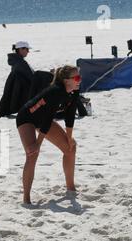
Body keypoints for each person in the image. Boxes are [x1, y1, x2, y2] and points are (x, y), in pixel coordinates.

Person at [16, 65, 81, 204]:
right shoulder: (56, 91)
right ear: (66, 80)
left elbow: (70, 116)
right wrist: (38, 144)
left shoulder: (74, 90)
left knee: (70, 148)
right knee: (32, 154)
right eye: (76, 78)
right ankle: (26, 199)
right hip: (26, 117)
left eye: (79, 77)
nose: (79, 80)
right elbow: (47, 118)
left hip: (42, 120)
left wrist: (69, 138)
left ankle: (71, 188)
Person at [0, 41, 35, 118]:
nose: (28, 52)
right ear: (21, 49)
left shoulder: (16, 60)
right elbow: (32, 77)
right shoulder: (20, 62)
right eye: (27, 50)